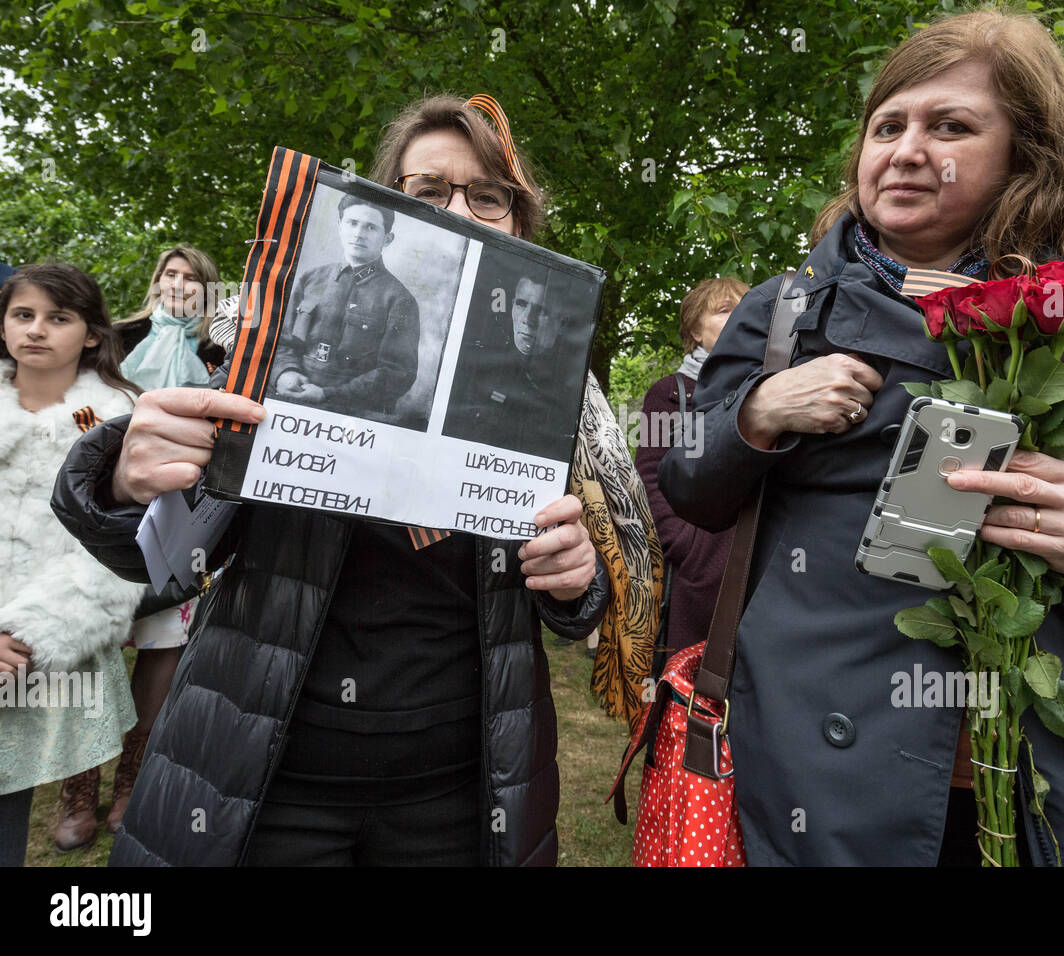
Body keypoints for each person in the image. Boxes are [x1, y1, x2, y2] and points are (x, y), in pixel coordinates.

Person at [659, 9, 1064, 866]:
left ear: (1028, 154)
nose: (906, 150)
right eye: (888, 126)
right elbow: (688, 484)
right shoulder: (785, 308)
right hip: (823, 769)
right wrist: (756, 414)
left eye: (950, 126)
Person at [52, 94, 655, 866]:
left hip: (459, 793)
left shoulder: (558, 396)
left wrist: (575, 587)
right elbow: (161, 563)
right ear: (381, 206)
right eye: (428, 190)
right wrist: (123, 482)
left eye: (488, 195)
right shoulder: (260, 340)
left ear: (517, 224)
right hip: (268, 779)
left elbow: (578, 598)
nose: (461, 210)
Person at [77, 245, 228, 840]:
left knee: (162, 643)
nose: (178, 284)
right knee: (94, 644)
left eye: (192, 278)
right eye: (169, 273)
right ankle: (77, 789)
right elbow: (79, 404)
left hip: (178, 512)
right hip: (106, 501)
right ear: (156, 280)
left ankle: (130, 783)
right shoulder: (117, 338)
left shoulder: (218, 348)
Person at [0, 263, 144, 862]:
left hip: (41, 648)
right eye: (22, 315)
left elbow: (121, 549)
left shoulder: (122, 420)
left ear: (90, 333)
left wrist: (25, 636)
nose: (37, 330)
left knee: (7, 805)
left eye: (58, 317)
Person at [635, 277, 746, 656]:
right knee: (688, 698)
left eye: (744, 309)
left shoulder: (769, 388)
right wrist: (689, 548)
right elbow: (649, 479)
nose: (738, 317)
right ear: (696, 331)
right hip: (695, 579)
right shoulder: (669, 393)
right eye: (724, 310)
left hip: (756, 572)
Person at [270, 195, 421, 421]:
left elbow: (398, 373)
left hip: (351, 419)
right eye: (352, 223)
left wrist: (327, 394)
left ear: (387, 238)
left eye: (370, 227)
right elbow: (280, 341)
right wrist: (285, 372)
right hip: (289, 403)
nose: (358, 234)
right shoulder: (310, 279)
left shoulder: (398, 299)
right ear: (340, 227)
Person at [442, 267, 574, 459]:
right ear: (512, 306)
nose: (528, 320)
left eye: (542, 311)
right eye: (521, 304)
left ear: (561, 323)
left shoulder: (572, 388)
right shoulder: (479, 367)